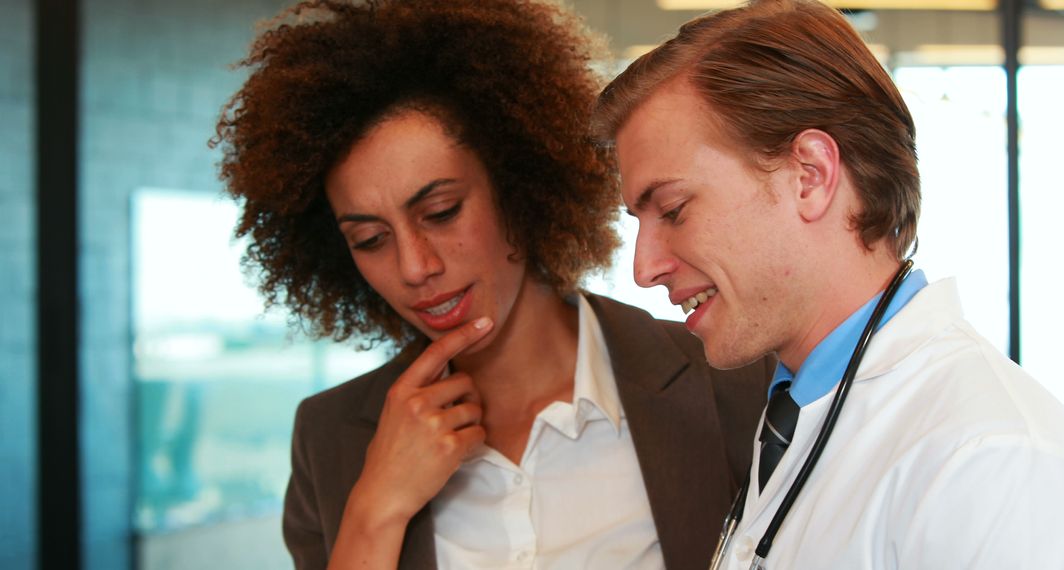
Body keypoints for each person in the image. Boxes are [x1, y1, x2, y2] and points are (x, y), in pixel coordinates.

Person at [213, 0, 772, 568]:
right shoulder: (330, 437)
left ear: (519, 184)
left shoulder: (731, 382)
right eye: (370, 239)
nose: (414, 266)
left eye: (442, 211)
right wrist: (376, 509)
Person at [592, 0, 1064, 568]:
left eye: (673, 210)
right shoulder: (792, 414)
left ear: (811, 176)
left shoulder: (990, 462)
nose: (643, 268)